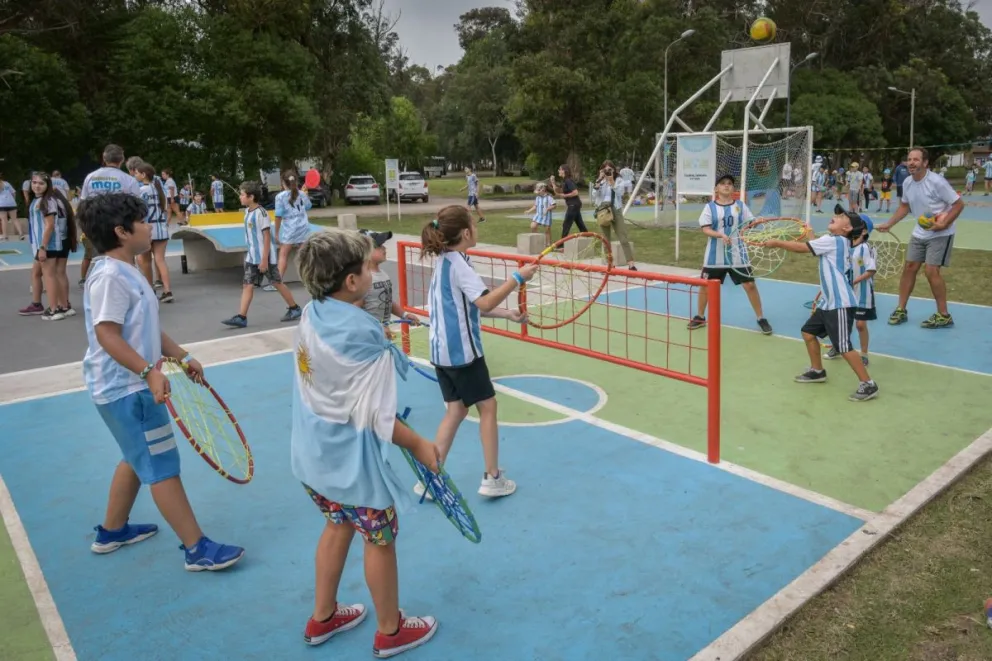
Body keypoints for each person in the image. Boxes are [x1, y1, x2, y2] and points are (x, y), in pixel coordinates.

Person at [291, 229, 440, 655]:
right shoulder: (363, 334)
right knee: (379, 540)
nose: (375, 270)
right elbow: (377, 417)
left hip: (313, 455)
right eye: (369, 266)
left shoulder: (311, 312)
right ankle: (391, 632)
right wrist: (417, 445)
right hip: (351, 465)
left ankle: (323, 617)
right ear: (352, 282)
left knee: (336, 524)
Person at [76, 192, 244, 570]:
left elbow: (146, 328)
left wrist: (181, 357)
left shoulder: (126, 268)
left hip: (125, 386)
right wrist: (148, 371)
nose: (151, 225)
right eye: (142, 220)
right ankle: (196, 548)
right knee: (162, 465)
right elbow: (108, 335)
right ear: (121, 231)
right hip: (129, 391)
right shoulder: (109, 277)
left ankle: (112, 530)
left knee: (135, 457)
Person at [420, 205, 536, 498]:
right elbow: (482, 302)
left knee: (456, 410)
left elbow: (466, 306)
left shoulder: (446, 262)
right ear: (465, 232)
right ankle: (492, 477)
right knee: (488, 406)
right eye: (474, 222)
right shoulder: (459, 264)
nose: (477, 226)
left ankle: (431, 477)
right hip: (462, 354)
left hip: (441, 353)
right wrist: (517, 278)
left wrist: (506, 314)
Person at [762, 207, 879, 402]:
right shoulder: (839, 242)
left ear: (847, 228)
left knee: (843, 346)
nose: (835, 216)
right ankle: (817, 370)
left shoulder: (833, 241)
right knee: (808, 332)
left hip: (840, 303)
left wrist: (777, 243)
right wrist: (810, 234)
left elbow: (803, 248)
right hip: (829, 302)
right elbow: (815, 246)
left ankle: (868, 384)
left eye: (840, 217)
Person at [876, 147, 964, 329]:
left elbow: (958, 204)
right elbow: (904, 207)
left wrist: (944, 223)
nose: (911, 163)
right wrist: (890, 223)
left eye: (916, 159)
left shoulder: (937, 182)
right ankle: (901, 309)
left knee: (931, 271)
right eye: (909, 159)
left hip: (941, 232)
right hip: (920, 231)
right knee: (909, 267)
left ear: (925, 163)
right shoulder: (907, 182)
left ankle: (944, 315)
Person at [687, 175, 773, 334]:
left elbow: (749, 224)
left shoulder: (740, 206)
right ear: (716, 189)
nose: (726, 186)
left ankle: (761, 318)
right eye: (722, 184)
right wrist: (720, 235)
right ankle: (700, 316)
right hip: (714, 257)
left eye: (729, 184)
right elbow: (705, 229)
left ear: (733, 188)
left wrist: (758, 222)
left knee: (750, 285)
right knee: (705, 287)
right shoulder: (709, 207)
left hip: (738, 254)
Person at [221, 181, 302, 328]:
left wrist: (264, 260)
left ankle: (295, 308)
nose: (240, 197)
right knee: (247, 285)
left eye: (242, 194)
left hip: (265, 257)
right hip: (252, 257)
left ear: (251, 197)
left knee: (277, 282)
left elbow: (266, 237)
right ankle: (241, 317)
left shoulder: (261, 214)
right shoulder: (247, 212)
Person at [825, 215, 876, 365]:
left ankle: (864, 354)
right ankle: (837, 346)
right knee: (842, 323)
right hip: (845, 292)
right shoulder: (844, 245)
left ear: (864, 230)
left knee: (860, 325)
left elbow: (871, 270)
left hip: (862, 292)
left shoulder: (866, 248)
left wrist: (854, 281)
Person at [28, 172, 77, 320]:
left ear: (47, 185)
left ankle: (54, 309)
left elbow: (49, 226)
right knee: (56, 274)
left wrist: (42, 247)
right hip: (53, 242)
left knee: (49, 276)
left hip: (48, 243)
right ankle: (63, 305)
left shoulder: (47, 201)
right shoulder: (43, 200)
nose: (36, 185)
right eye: (34, 182)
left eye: (40, 183)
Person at [359, 229, 419, 334]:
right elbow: (355, 312)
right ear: (365, 251)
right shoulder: (363, 278)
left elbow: (387, 301)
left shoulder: (383, 274)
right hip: (367, 336)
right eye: (378, 246)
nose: (384, 248)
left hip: (381, 334)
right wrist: (378, 328)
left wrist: (404, 315)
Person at [266, 172, 312, 292]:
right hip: (303, 227)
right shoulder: (302, 193)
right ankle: (309, 280)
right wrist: (305, 194)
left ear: (283, 183)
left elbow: (278, 216)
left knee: (283, 255)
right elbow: (308, 207)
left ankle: (278, 281)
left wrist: (276, 233)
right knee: (304, 255)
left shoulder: (280, 197)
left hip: (290, 228)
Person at [134, 163, 174, 303]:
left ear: (144, 174)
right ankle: (167, 290)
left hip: (147, 229)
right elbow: (166, 207)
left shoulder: (141, 191)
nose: (135, 175)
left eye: (137, 173)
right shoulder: (159, 189)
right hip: (160, 227)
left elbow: (138, 212)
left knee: (144, 261)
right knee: (160, 260)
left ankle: (149, 290)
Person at [593, 160, 636, 270]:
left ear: (614, 170)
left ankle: (631, 264)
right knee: (605, 240)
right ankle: (610, 264)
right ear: (602, 170)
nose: (607, 171)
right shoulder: (600, 181)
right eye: (605, 170)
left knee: (623, 237)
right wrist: (599, 179)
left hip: (615, 209)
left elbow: (620, 193)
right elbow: (595, 194)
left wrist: (612, 181)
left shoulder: (619, 180)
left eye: (610, 169)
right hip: (602, 209)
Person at [550, 164, 588, 239]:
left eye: (559, 169)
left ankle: (561, 244)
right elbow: (558, 192)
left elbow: (575, 192)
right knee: (580, 224)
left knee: (566, 224)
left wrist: (565, 196)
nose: (558, 171)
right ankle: (588, 238)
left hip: (573, 205)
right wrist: (553, 182)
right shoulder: (564, 181)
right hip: (574, 205)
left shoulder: (568, 180)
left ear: (564, 171)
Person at [524, 182, 555, 248]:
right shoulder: (538, 197)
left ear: (543, 190)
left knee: (547, 230)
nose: (537, 191)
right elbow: (535, 206)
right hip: (538, 215)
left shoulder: (549, 197)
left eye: (538, 190)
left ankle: (548, 244)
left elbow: (554, 206)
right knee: (533, 226)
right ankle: (536, 240)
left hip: (546, 216)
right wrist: (529, 211)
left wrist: (547, 209)